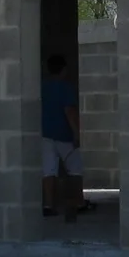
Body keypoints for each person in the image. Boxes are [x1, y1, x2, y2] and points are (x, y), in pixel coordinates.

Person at [41, 53, 84, 215]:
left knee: (48, 171)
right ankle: (78, 203)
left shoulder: (42, 87)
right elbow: (69, 112)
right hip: (64, 135)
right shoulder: (65, 88)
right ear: (64, 69)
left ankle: (48, 205)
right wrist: (76, 134)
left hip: (45, 134)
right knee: (75, 169)